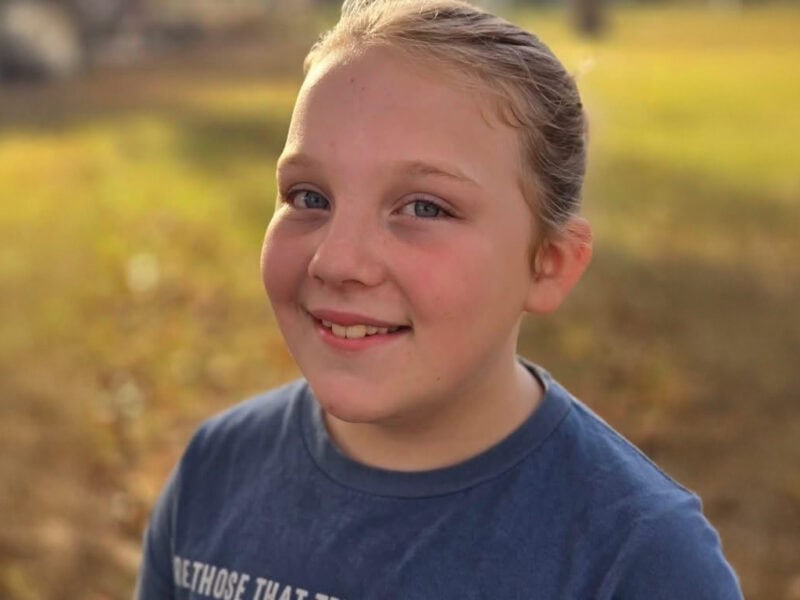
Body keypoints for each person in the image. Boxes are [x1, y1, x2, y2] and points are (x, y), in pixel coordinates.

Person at [136, 1, 743, 598]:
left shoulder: (637, 561)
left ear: (548, 264)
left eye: (425, 207)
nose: (338, 261)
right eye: (308, 196)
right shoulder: (214, 473)